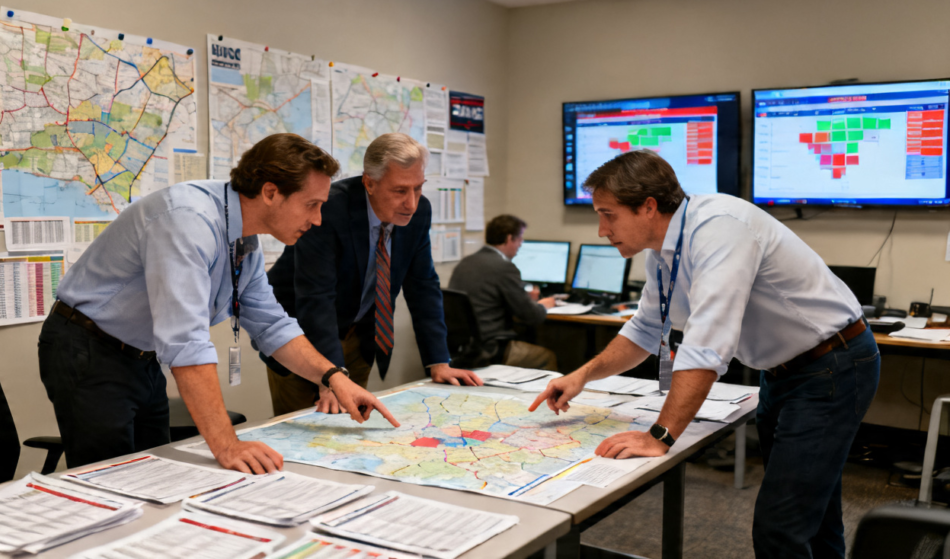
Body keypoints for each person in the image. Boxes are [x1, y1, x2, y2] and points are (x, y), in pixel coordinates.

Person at [529, 150, 879, 559]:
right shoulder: (662, 251)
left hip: (831, 367)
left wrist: (661, 435)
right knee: (812, 515)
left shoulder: (719, 228)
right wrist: (582, 375)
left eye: (608, 215)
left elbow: (707, 344)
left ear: (648, 207)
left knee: (781, 527)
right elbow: (645, 328)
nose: (601, 229)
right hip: (783, 373)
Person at [39, 134, 398, 473]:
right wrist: (227, 445)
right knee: (111, 480)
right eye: (312, 205)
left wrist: (333, 377)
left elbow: (272, 324)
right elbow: (186, 343)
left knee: (152, 471)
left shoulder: (242, 238)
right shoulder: (187, 221)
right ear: (271, 192)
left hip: (140, 358)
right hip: (89, 349)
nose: (318, 220)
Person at [260, 133, 482, 416]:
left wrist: (439, 362)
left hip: (361, 335)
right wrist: (330, 377)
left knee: (353, 425)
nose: (411, 203)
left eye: (418, 188)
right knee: (303, 430)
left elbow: (423, 284)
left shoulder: (419, 213)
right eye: (400, 191)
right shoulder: (328, 209)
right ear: (369, 183)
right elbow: (316, 297)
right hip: (302, 336)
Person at [448, 214, 558, 370]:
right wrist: (544, 305)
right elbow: (531, 316)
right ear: (509, 238)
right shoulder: (504, 267)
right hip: (490, 348)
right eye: (520, 239)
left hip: (461, 348)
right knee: (546, 357)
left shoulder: (466, 262)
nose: (521, 244)